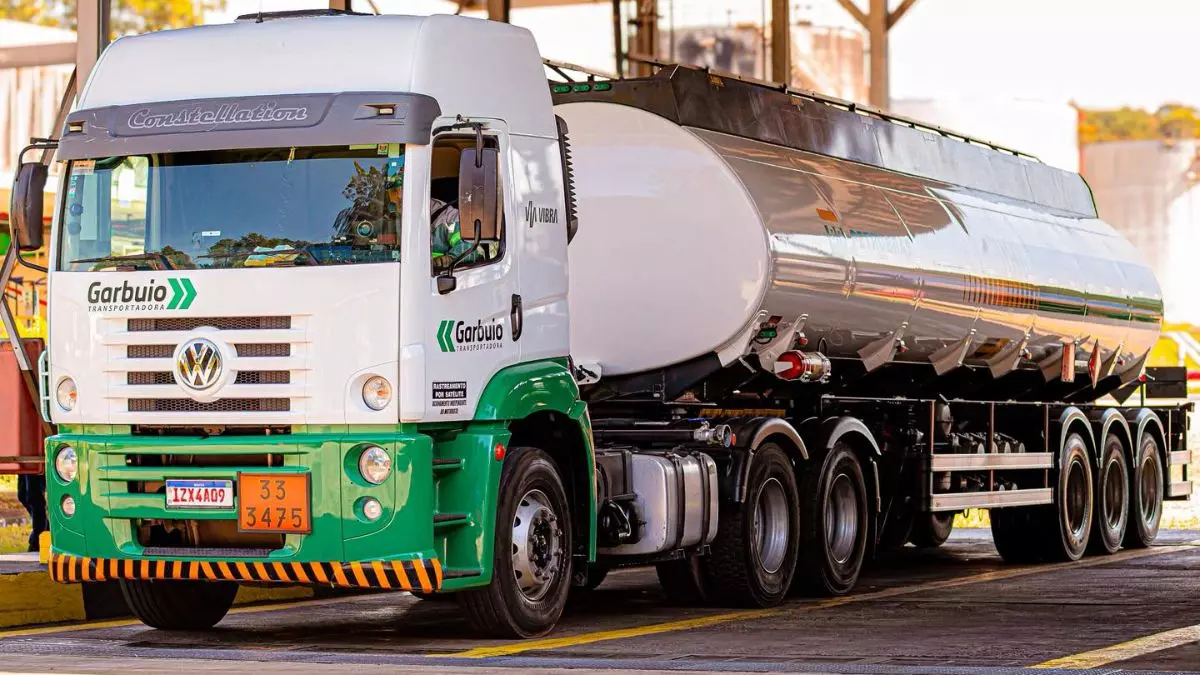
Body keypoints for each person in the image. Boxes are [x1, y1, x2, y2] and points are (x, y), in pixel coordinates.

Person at [16, 473, 46, 552]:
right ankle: (45, 528)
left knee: (34, 497)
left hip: (36, 462)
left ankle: (37, 540)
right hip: (25, 462)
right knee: (22, 495)